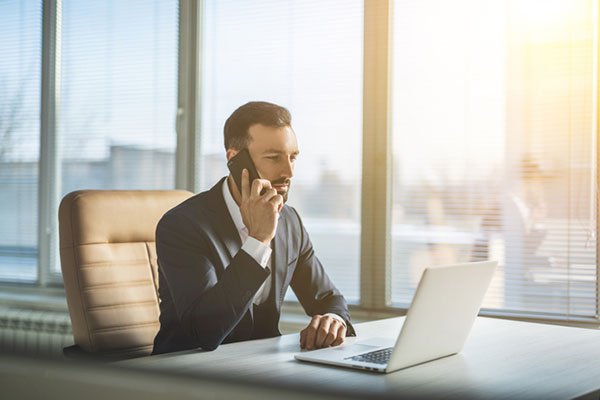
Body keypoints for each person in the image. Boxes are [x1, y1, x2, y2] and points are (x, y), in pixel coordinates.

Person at [152, 101, 355, 354]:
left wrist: (333, 320)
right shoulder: (182, 226)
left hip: (260, 369)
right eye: (274, 158)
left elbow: (328, 299)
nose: (289, 171)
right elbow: (204, 331)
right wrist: (258, 240)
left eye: (292, 158)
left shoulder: (290, 222)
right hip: (186, 374)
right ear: (235, 160)